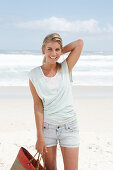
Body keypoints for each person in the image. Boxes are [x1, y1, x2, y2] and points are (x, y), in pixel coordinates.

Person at [28, 33, 83, 170]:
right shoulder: (34, 75)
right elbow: (38, 105)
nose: (53, 52)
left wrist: (57, 54)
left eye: (57, 49)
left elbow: (79, 43)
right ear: (43, 50)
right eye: (49, 49)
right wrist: (39, 137)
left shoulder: (66, 67)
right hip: (48, 128)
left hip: (69, 127)